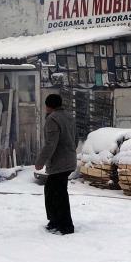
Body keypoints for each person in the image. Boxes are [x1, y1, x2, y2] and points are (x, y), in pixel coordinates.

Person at [35, 93, 77, 235]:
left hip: (60, 163)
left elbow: (50, 144)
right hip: (69, 160)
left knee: (58, 194)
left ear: (48, 106)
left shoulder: (52, 119)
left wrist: (40, 161)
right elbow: (75, 139)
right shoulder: (69, 117)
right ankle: (55, 221)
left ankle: (65, 225)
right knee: (52, 191)